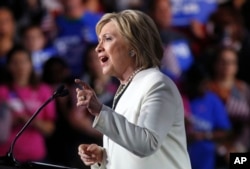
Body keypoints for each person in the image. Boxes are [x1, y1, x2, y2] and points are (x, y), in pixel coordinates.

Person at [76, 9, 191, 169]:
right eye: (99, 40)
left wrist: (100, 111)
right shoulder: (126, 89)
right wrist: (103, 158)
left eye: (107, 39)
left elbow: (147, 143)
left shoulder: (158, 84)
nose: (98, 48)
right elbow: (133, 147)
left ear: (132, 46)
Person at [0, 45, 56, 162]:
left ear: (31, 64)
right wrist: (10, 121)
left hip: (35, 155)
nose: (20, 67)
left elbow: (50, 129)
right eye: (15, 62)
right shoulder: (2, 91)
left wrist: (29, 120)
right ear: (9, 66)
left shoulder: (44, 90)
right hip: (6, 155)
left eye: (24, 62)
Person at [181, 63, 231, 169]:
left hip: (207, 161)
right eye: (203, 84)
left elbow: (226, 132)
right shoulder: (181, 99)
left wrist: (205, 135)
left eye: (207, 83)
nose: (206, 87)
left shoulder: (212, 100)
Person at [207, 46, 250, 167]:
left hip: (241, 149)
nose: (227, 66)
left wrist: (237, 148)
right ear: (215, 64)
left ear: (236, 66)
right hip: (212, 150)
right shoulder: (206, 90)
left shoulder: (244, 90)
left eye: (232, 62)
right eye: (223, 62)